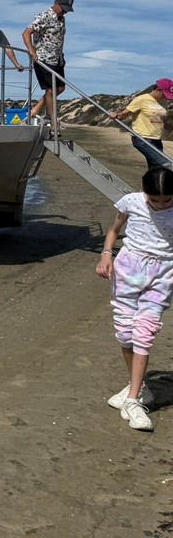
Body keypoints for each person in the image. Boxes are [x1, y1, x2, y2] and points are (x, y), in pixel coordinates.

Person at [96, 167, 173, 431]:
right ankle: (139, 387)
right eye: (155, 200)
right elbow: (114, 228)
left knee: (144, 332)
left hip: (162, 274)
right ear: (143, 191)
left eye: (167, 200)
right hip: (127, 271)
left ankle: (133, 401)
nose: (161, 205)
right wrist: (106, 254)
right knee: (125, 334)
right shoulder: (131, 202)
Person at [22, 0, 74, 131]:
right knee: (50, 91)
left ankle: (35, 110)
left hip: (57, 59)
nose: (65, 12)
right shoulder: (43, 16)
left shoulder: (61, 18)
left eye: (67, 10)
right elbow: (26, 33)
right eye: (63, 8)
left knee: (60, 89)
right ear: (56, 4)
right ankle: (53, 122)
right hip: (43, 58)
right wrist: (32, 51)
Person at [109, 79, 173, 171]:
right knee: (167, 165)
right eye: (164, 94)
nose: (165, 97)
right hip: (142, 139)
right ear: (158, 89)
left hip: (157, 140)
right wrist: (116, 115)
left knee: (155, 171)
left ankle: (150, 185)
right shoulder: (141, 99)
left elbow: (159, 121)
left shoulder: (163, 102)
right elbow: (123, 115)